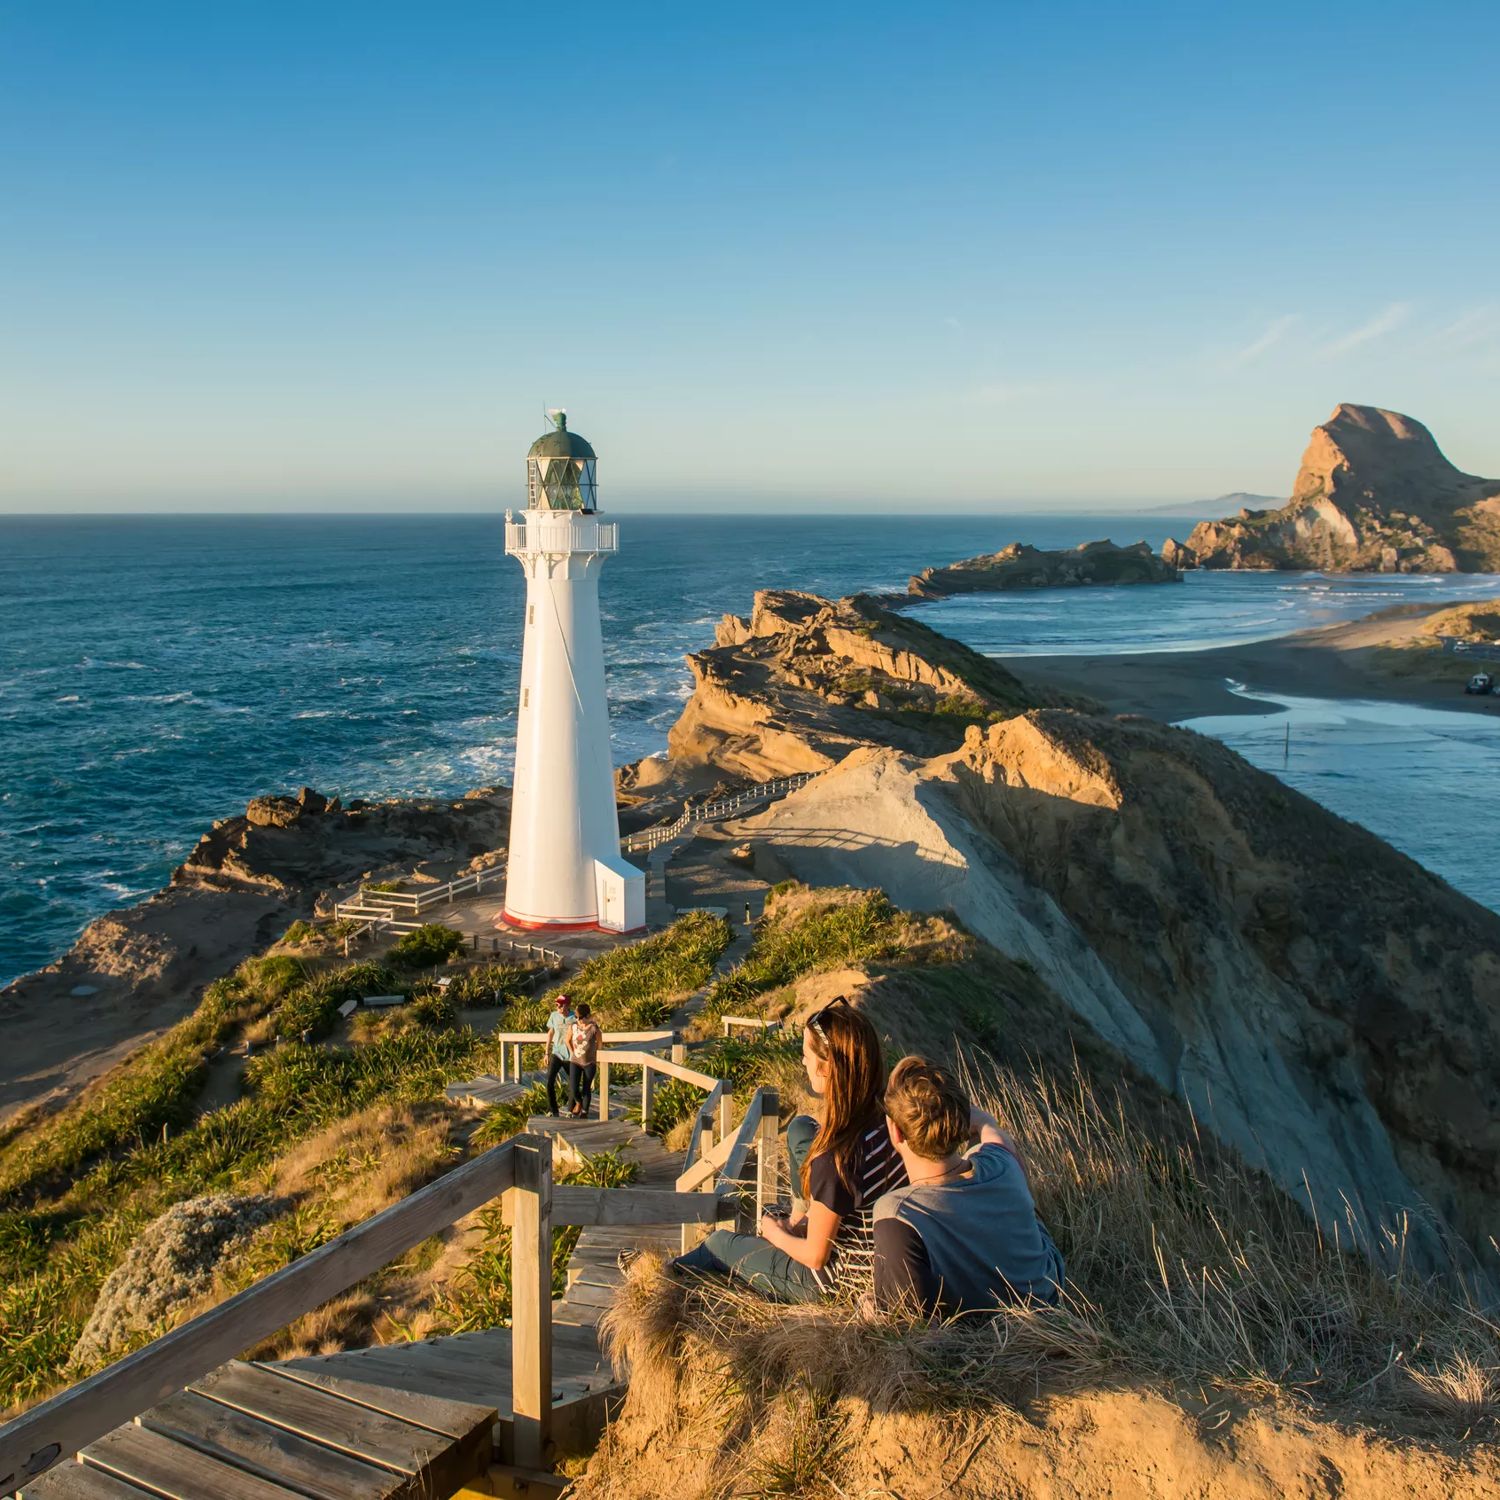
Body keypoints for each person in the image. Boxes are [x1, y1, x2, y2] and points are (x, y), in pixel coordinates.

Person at [670, 996, 907, 1302]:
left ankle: (660, 1280)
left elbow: (815, 1257)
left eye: (806, 1054)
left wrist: (774, 1234)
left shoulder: (834, 1157)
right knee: (800, 1129)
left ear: (826, 1068)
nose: (803, 1061)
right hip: (879, 1257)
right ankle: (799, 1218)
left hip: (836, 1283)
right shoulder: (892, 1120)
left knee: (717, 1244)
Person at [871, 1055, 1064, 1316]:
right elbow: (993, 1133)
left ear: (896, 1131)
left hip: (984, 1339)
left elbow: (905, 1319)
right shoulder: (1002, 1163)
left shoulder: (898, 1213)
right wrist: (983, 1122)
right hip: (1049, 1301)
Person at [566, 1002, 602, 1117]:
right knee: (573, 1087)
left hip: (589, 1062)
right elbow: (567, 1040)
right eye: (576, 1017)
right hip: (575, 1061)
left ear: (588, 1016)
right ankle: (579, 1102)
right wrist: (572, 1052)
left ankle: (585, 1112)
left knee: (586, 1088)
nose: (578, 1019)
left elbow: (600, 1043)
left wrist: (596, 1055)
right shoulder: (573, 1026)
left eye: (580, 1017)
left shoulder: (593, 1028)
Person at [544, 993, 575, 1118]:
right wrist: (546, 1053)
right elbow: (550, 1033)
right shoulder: (554, 1016)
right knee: (549, 1082)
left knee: (573, 1083)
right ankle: (553, 1110)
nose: (558, 1007)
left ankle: (571, 1110)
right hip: (556, 1053)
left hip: (570, 1056)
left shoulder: (574, 1017)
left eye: (560, 1005)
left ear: (567, 1005)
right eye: (557, 1005)